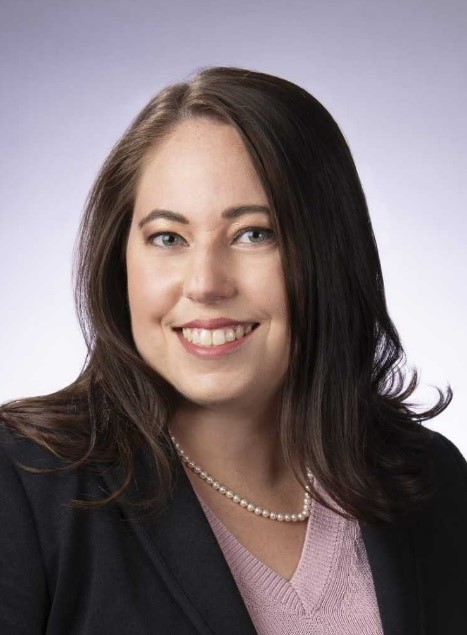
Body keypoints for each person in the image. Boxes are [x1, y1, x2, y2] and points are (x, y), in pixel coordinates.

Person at [0, 65, 466, 635]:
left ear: (329, 251)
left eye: (254, 233)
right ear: (119, 260)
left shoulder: (431, 482)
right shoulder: (21, 482)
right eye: (168, 238)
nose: (205, 283)